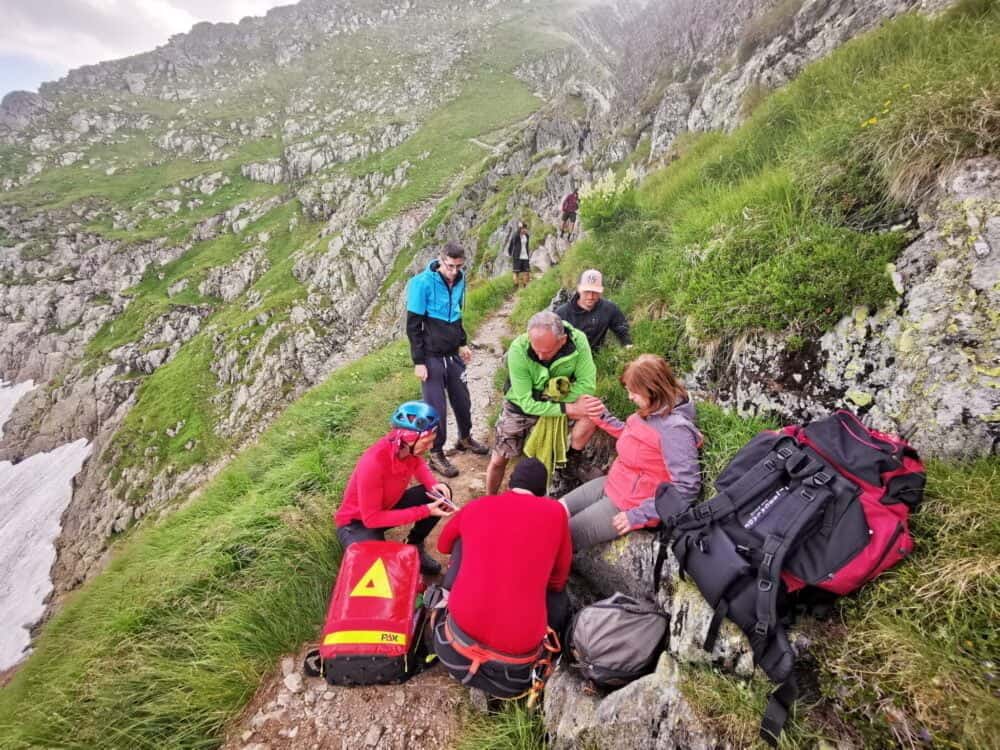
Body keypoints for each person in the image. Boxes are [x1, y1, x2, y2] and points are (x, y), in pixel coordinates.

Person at [432, 458, 572, 698]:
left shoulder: (478, 506)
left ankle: (446, 600)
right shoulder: (555, 513)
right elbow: (559, 579)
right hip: (514, 673)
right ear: (542, 492)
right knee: (560, 597)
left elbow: (443, 544)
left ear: (509, 484)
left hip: (452, 651)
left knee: (462, 541)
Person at [560, 354, 702, 551]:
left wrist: (637, 515)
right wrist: (602, 416)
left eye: (633, 392)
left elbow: (686, 489)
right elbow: (632, 437)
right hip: (613, 482)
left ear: (651, 390)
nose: (630, 397)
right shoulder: (654, 408)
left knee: (560, 537)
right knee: (555, 511)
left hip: (629, 505)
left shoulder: (676, 430)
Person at [334, 401, 455, 575]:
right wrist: (426, 510)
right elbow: (372, 519)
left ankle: (414, 545)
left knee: (442, 494)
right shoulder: (373, 463)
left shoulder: (406, 449)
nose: (429, 447)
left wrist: (434, 486)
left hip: (386, 507)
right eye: (426, 442)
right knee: (378, 573)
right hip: (357, 523)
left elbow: (418, 465)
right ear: (409, 439)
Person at [485, 310, 599, 495]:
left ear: (562, 341)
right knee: (498, 460)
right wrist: (565, 407)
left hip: (559, 400)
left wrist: (556, 402)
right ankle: (489, 499)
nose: (539, 356)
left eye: (545, 351)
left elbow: (588, 385)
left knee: (593, 409)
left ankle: (571, 461)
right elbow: (527, 403)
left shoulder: (579, 341)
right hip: (520, 408)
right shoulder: (518, 349)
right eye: (535, 348)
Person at [406, 241, 489, 479]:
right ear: (440, 260)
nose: (454, 271)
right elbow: (413, 326)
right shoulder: (421, 284)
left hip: (452, 354)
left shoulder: (461, 280)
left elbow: (457, 316)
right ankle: (436, 453)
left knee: (462, 400)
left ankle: (465, 438)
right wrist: (418, 361)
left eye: (458, 266)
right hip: (431, 357)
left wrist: (462, 343)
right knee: (435, 409)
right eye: (450, 266)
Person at [555, 268, 632, 352]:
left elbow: (622, 329)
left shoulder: (609, 308)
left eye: (595, 292)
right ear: (579, 289)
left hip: (597, 357)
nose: (590, 296)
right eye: (586, 291)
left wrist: (628, 345)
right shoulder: (561, 314)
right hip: (572, 358)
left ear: (601, 291)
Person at [507, 220, 531, 289]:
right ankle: (516, 287)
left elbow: (526, 245)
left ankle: (525, 287)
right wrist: (510, 253)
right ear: (521, 228)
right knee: (516, 273)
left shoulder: (527, 236)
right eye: (524, 228)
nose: (526, 230)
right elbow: (511, 244)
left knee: (527, 272)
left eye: (526, 228)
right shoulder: (516, 235)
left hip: (525, 256)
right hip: (517, 257)